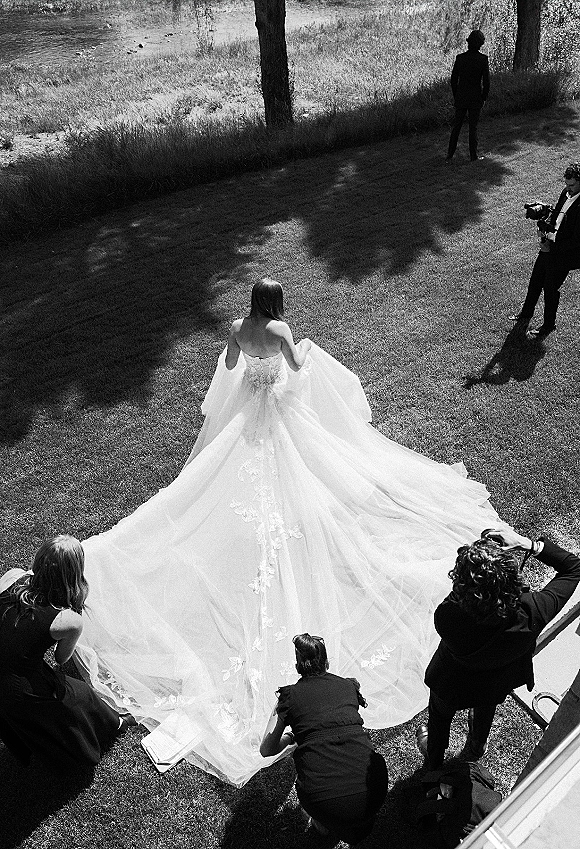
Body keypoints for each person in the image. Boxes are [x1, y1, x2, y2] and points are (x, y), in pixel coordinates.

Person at [72, 277, 509, 786]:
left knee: (237, 473)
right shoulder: (279, 327)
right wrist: (301, 350)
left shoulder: (238, 327)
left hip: (250, 407)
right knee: (305, 466)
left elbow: (232, 368)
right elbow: (298, 367)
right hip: (277, 406)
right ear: (275, 303)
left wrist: (248, 364)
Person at [417, 528, 580, 770]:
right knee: (486, 707)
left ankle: (434, 759)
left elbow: (461, 594)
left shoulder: (446, 616)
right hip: (494, 682)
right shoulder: (535, 611)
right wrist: (528, 544)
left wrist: (477, 571)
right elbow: (574, 568)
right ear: (514, 581)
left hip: (451, 682)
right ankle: (476, 747)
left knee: (439, 717)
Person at [0, 535, 132, 772]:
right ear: (74, 572)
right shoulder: (67, 619)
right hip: (15, 685)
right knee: (79, 695)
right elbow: (62, 659)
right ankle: (114, 725)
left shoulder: (13, 575)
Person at [260, 633, 388, 845]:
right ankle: (353, 821)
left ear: (297, 666)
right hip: (375, 790)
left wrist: (292, 737)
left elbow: (267, 749)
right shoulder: (349, 686)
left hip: (322, 800)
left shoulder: (289, 697)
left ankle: (324, 824)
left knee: (331, 806)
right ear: (327, 662)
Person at [511, 163, 580, 338]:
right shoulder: (565, 194)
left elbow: (576, 240)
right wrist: (546, 224)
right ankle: (525, 314)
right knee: (535, 281)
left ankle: (548, 325)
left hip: (564, 253)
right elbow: (556, 214)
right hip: (549, 246)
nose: (568, 188)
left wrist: (551, 247)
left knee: (550, 288)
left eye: (572, 185)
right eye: (566, 183)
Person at [446, 30, 490, 162]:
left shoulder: (460, 58)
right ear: (480, 44)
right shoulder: (483, 59)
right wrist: (483, 97)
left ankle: (449, 154)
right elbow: (486, 82)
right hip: (475, 97)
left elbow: (454, 80)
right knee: (473, 127)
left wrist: (456, 95)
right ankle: (473, 156)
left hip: (461, 96)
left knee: (457, 127)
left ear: (469, 42)